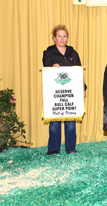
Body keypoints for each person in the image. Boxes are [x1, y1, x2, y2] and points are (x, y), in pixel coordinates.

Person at [43, 25, 85, 155]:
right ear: (54, 38)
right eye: (59, 36)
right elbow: (47, 65)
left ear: (67, 38)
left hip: (71, 93)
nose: (62, 39)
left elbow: (79, 73)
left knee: (70, 122)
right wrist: (52, 66)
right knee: (54, 122)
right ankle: (54, 149)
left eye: (64, 36)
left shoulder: (73, 53)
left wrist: (83, 88)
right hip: (55, 94)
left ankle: (70, 148)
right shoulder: (48, 53)